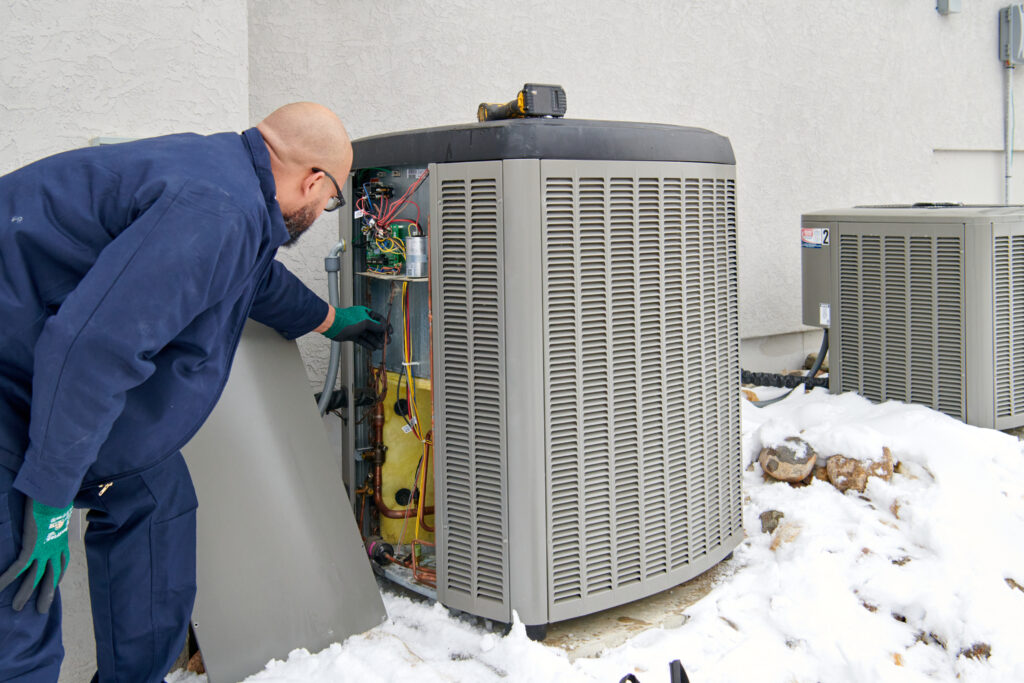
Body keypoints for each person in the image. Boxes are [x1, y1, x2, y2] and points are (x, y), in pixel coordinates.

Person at [0, 102, 386, 682]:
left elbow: (252, 277)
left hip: (40, 375)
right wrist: (51, 498)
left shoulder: (229, 185)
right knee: (22, 585)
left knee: (157, 501)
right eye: (329, 198)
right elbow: (91, 348)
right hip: (18, 383)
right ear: (313, 179)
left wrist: (329, 320)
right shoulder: (218, 208)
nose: (320, 209)